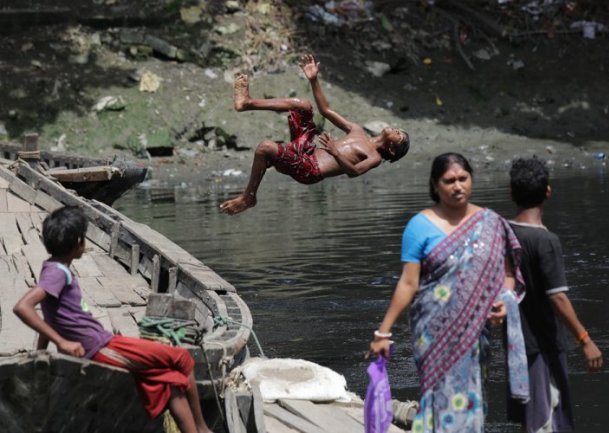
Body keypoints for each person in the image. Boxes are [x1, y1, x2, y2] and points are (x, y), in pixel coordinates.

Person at [13, 206, 213, 433]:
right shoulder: (57, 272)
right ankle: (203, 428)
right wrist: (61, 343)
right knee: (182, 358)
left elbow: (51, 315)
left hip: (101, 342)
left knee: (171, 381)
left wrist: (41, 349)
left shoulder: (52, 267)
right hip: (99, 347)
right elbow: (23, 307)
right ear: (79, 241)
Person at [369, 152, 528, 433]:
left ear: (471, 180)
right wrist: (384, 331)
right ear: (435, 185)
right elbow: (408, 283)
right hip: (432, 331)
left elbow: (507, 275)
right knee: (437, 396)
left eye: (463, 179)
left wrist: (503, 300)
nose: (457, 186)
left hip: (476, 331)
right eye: (449, 180)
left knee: (472, 398)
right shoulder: (419, 226)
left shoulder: (490, 224)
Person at [219, 53, 410, 215]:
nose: (397, 130)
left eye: (399, 136)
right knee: (303, 105)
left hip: (310, 170)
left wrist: (335, 152)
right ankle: (247, 103)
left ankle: (248, 197)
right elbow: (326, 110)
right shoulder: (357, 130)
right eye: (399, 130)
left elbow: (354, 172)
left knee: (265, 147)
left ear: (392, 150)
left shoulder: (374, 156)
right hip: (305, 152)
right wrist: (314, 80)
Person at [507, 157, 603, 433]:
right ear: (548, 191)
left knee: (531, 418)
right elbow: (557, 298)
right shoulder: (545, 241)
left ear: (511, 193)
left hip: (516, 344)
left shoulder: (506, 233)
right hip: (543, 346)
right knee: (547, 419)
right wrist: (584, 339)